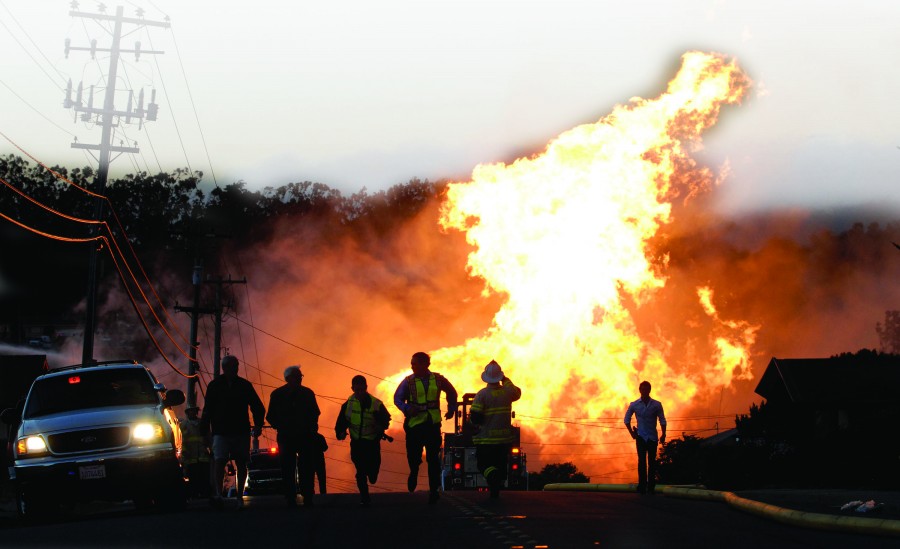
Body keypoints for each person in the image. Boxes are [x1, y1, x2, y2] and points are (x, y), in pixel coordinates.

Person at [201, 354, 265, 509]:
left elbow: (258, 406)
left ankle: (239, 496)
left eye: (236, 365)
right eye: (233, 366)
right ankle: (218, 494)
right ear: (225, 368)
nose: (236, 368)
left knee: (241, 462)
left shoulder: (244, 385)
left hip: (240, 430)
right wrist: (205, 432)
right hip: (221, 431)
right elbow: (207, 410)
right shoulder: (214, 386)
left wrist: (258, 425)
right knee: (220, 461)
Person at [393, 351, 457, 504]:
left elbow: (451, 392)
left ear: (425, 364)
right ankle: (414, 471)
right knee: (413, 456)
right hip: (414, 426)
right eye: (412, 363)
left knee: (433, 459)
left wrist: (452, 408)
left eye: (415, 363)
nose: (412, 366)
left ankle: (433, 490)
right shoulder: (408, 382)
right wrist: (407, 409)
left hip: (432, 425)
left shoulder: (438, 379)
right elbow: (397, 398)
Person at [266, 364, 321, 508]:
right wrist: (282, 426)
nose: (299, 379)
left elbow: (315, 413)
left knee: (303, 467)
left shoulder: (307, 393)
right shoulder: (279, 395)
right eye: (297, 376)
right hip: (290, 436)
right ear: (288, 378)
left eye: (300, 376)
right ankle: (293, 496)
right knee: (291, 467)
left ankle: (304, 496)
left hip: (300, 436)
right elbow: (271, 416)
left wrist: (311, 427)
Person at [335, 375, 391, 506]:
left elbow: (386, 419)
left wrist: (381, 426)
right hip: (357, 443)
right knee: (360, 471)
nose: (359, 392)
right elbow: (340, 423)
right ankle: (364, 497)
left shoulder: (376, 404)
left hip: (372, 443)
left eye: (362, 389)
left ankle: (372, 475)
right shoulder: (347, 405)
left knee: (372, 471)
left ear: (366, 388)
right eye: (357, 390)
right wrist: (341, 433)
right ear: (352, 389)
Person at [469, 360, 521, 499]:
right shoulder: (508, 392)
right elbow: (517, 392)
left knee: (484, 465)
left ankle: (492, 477)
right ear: (499, 377)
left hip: (486, 440)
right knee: (500, 464)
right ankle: (496, 484)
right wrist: (505, 379)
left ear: (485, 377)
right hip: (504, 440)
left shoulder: (482, 395)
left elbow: (475, 417)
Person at [624, 380, 667, 495]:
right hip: (641, 437)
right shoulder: (634, 404)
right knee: (642, 462)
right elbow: (626, 419)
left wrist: (664, 434)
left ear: (649, 390)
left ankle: (651, 486)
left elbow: (662, 420)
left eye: (646, 389)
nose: (644, 391)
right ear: (640, 390)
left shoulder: (656, 404)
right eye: (642, 389)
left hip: (652, 437)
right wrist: (632, 434)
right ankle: (642, 485)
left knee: (652, 462)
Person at [179, 406, 211, 498]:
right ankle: (194, 494)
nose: (192, 413)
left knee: (205, 477)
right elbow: (180, 441)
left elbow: (209, 437)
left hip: (203, 456)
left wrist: (211, 450)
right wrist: (184, 454)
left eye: (194, 411)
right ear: (187, 412)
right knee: (193, 478)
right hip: (190, 458)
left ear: (197, 412)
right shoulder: (183, 425)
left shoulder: (202, 423)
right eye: (190, 411)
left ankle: (205, 494)